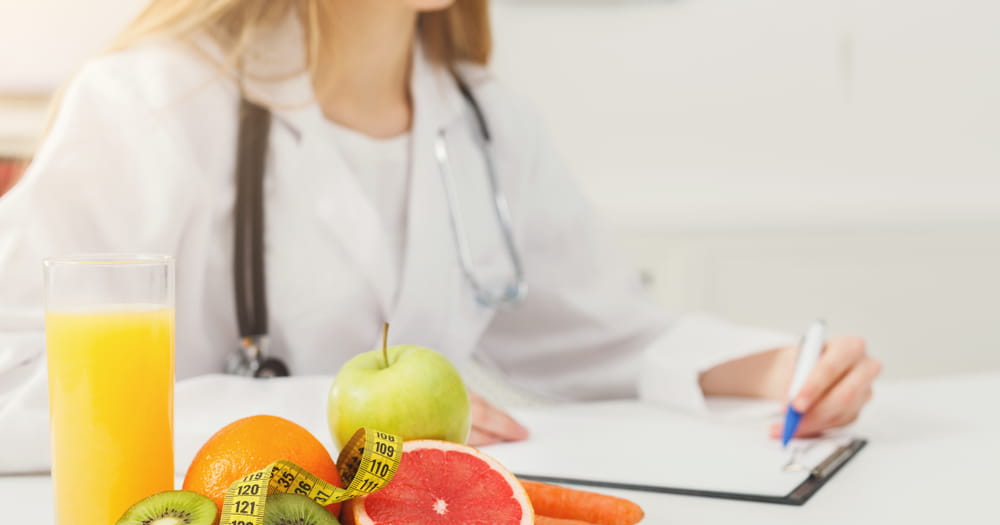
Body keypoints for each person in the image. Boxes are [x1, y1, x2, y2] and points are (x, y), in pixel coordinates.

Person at [0, 0, 880, 473]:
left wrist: (779, 367)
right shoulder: (150, 106)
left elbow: (606, 333)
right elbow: (14, 384)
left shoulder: (487, 118)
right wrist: (305, 413)